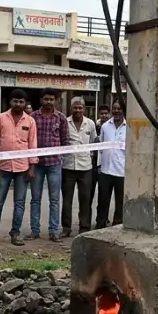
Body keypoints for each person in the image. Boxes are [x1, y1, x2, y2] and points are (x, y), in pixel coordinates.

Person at [0, 89, 37, 247]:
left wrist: (32, 167)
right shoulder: (1, 118)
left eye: (21, 102)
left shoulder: (30, 121)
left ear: (25, 103)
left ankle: (15, 234)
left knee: (20, 203)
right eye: (15, 101)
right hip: (3, 167)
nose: (18, 104)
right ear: (10, 102)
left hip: (22, 167)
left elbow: (33, 144)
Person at [29, 88, 67, 242]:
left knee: (55, 199)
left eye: (52, 99)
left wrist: (59, 155)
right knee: (35, 198)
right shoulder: (33, 117)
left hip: (54, 163)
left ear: (56, 101)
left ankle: (54, 231)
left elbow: (64, 140)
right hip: (37, 163)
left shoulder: (61, 118)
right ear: (41, 100)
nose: (49, 102)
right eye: (46, 99)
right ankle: (35, 230)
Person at [62, 96, 98, 237]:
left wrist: (92, 160)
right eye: (75, 107)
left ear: (84, 109)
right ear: (71, 108)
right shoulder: (65, 122)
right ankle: (66, 228)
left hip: (85, 167)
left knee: (85, 198)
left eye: (80, 108)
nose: (77, 110)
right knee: (67, 200)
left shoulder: (90, 124)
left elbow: (93, 142)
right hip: (68, 166)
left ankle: (84, 226)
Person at [97, 100, 127, 228]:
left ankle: (117, 225)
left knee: (120, 201)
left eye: (119, 109)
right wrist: (99, 165)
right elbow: (100, 147)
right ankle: (100, 224)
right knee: (103, 200)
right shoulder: (105, 126)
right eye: (114, 108)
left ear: (124, 110)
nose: (116, 111)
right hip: (106, 170)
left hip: (122, 171)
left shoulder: (129, 127)